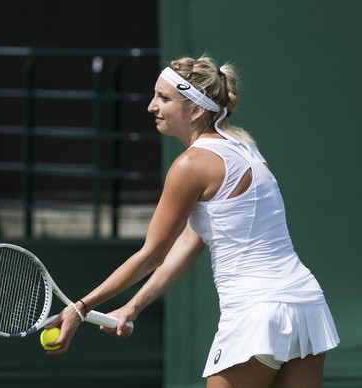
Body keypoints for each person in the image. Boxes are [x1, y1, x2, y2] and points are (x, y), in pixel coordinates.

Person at [46, 55, 340, 387]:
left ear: (195, 110)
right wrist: (133, 306)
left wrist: (81, 307)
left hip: (257, 312)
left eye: (164, 98)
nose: (151, 106)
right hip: (305, 305)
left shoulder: (191, 164)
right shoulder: (247, 149)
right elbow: (190, 241)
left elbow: (152, 254)